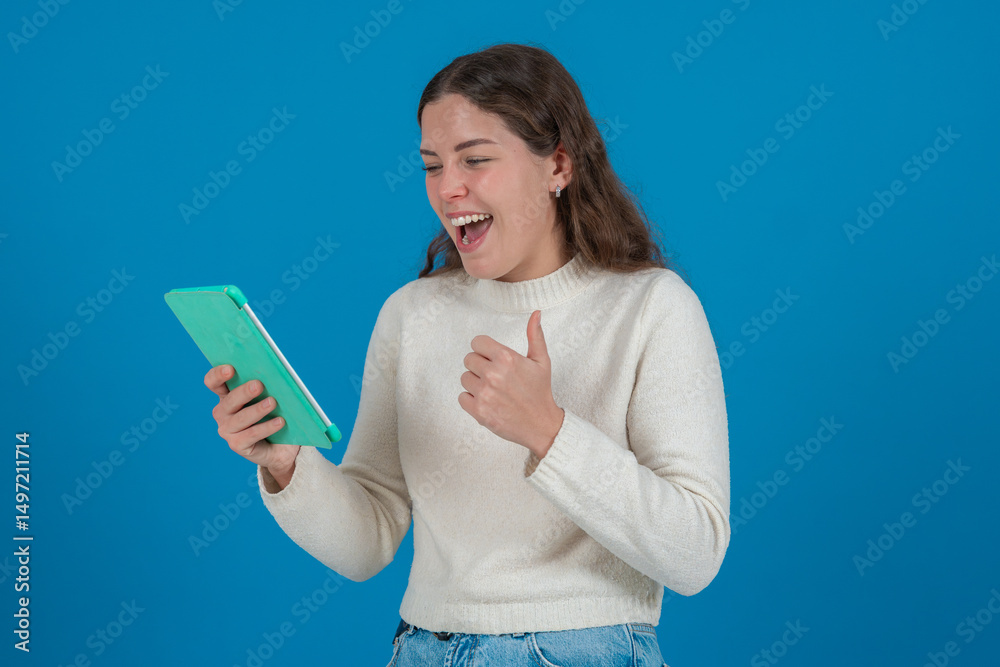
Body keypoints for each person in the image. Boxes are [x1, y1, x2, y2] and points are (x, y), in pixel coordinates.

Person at [204, 42, 729, 667]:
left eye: (475, 159)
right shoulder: (411, 314)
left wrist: (549, 432)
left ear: (558, 165)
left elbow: (695, 554)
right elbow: (367, 542)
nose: (449, 188)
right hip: (423, 648)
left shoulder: (651, 308)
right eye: (432, 165)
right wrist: (288, 462)